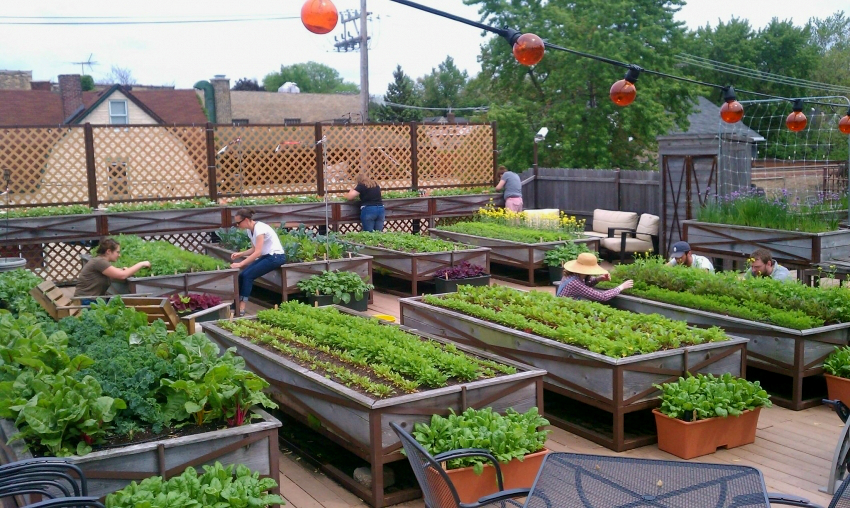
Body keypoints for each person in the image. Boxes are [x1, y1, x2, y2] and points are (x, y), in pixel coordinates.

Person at [229, 208, 287, 316]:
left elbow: (257, 252)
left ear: (246, 220)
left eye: (238, 223)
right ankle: (236, 302)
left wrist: (241, 263)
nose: (237, 225)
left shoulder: (259, 229)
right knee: (242, 275)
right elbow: (254, 249)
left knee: (248, 276)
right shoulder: (249, 230)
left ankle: (242, 306)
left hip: (276, 257)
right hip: (268, 256)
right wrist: (240, 254)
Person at [74, 237, 150, 304]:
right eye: (117, 252)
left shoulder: (100, 261)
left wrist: (124, 270)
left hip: (91, 299)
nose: (119, 255)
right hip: (86, 301)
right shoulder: (100, 262)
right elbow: (122, 275)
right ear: (108, 251)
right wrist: (141, 264)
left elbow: (117, 272)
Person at [557, 252, 634, 301]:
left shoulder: (572, 275)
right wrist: (621, 287)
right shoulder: (574, 283)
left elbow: (584, 286)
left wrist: (598, 279)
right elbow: (602, 296)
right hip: (565, 310)